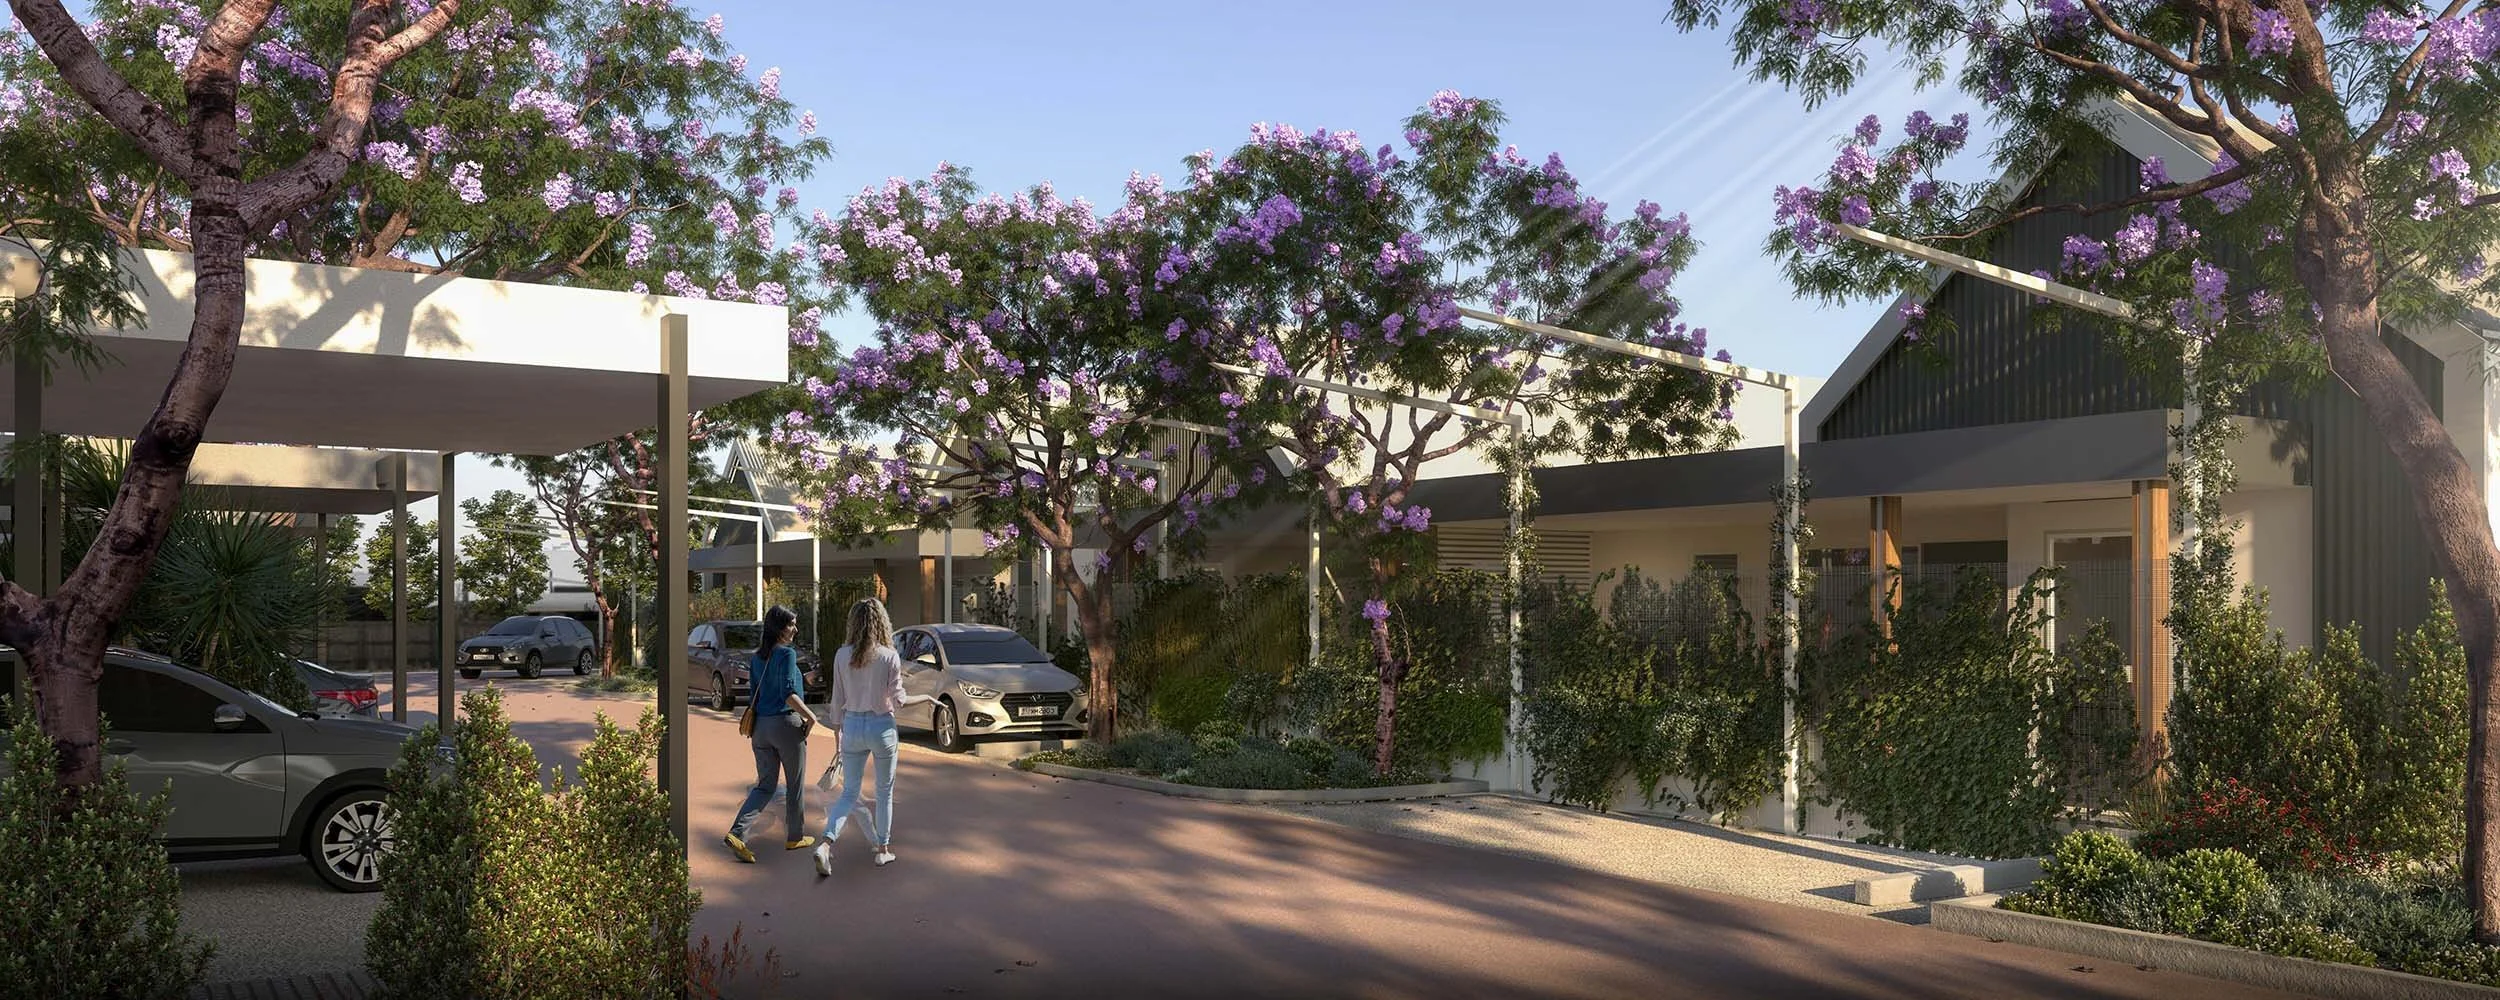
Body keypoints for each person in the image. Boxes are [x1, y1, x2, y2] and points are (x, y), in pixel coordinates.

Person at [812, 597, 935, 876]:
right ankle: (883, 850)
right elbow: (900, 700)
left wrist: (837, 738)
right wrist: (927, 697)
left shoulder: (842, 655)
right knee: (883, 792)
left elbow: (836, 703)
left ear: (853, 623)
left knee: (849, 792)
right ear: (882, 622)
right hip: (882, 728)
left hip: (852, 727)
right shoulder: (889, 656)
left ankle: (826, 844)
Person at [724, 605, 819, 863]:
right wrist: (811, 717)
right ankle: (795, 836)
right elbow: (789, 694)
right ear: (779, 628)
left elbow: (754, 694)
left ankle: (737, 832)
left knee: (765, 785)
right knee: (794, 784)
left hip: (761, 729)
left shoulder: (757, 658)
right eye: (791, 624)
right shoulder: (786, 654)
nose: (795, 629)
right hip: (785, 725)